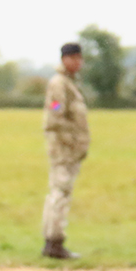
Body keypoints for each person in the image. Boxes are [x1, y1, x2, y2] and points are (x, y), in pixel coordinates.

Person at [41, 41, 90, 259]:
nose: (78, 62)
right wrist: (70, 140)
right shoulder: (59, 84)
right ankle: (54, 241)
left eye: (80, 58)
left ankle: (54, 240)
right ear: (64, 59)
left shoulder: (69, 83)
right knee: (59, 192)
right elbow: (56, 112)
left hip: (71, 148)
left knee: (62, 192)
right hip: (63, 148)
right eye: (74, 58)